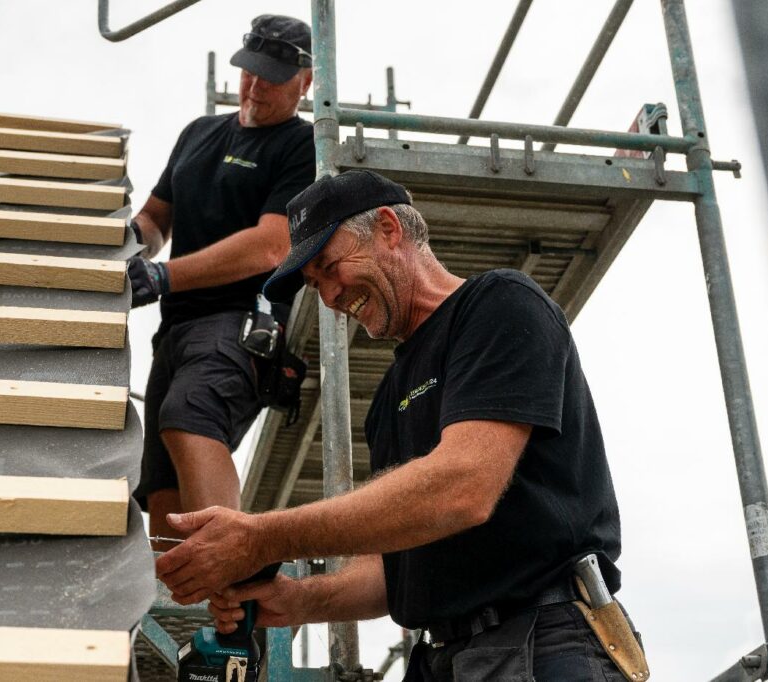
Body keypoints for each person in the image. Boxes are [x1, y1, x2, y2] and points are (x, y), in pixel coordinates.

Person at [155, 170, 647, 680]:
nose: (328, 297)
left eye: (329, 266)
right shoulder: (389, 398)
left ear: (389, 229)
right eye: (314, 284)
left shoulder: (499, 305)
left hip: (542, 642)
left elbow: (463, 487)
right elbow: (395, 570)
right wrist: (302, 600)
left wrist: (264, 538)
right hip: (444, 656)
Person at [128, 15, 316, 542]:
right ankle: (194, 612)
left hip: (239, 324)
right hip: (174, 331)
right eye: (249, 72)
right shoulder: (199, 133)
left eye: (271, 78)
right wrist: (123, 245)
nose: (255, 87)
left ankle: (234, 565)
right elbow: (155, 219)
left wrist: (162, 277)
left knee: (190, 415)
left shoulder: (302, 147)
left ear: (306, 82)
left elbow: (272, 245)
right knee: (161, 486)